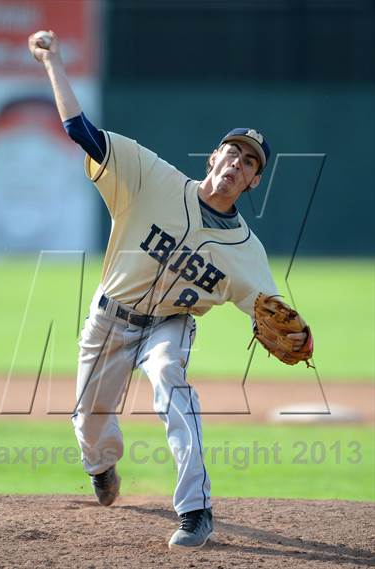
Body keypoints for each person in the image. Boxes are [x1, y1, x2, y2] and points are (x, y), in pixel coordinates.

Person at [29, 31, 307, 551]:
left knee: (169, 378)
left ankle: (196, 510)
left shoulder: (247, 251)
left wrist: (291, 330)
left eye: (250, 164)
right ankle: (102, 466)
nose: (237, 165)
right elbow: (79, 130)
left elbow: (271, 312)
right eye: (232, 153)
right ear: (212, 158)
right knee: (90, 425)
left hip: (170, 325)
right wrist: (54, 62)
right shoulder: (150, 177)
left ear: (252, 183)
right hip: (110, 317)